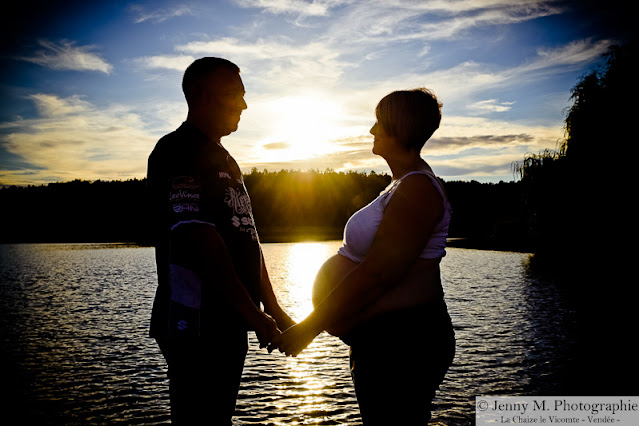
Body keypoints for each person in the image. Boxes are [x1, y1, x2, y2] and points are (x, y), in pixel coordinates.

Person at [271, 88, 455, 424]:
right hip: (385, 339)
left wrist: (308, 328)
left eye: (378, 123)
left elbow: (378, 274)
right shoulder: (401, 184)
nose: (371, 131)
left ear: (398, 127)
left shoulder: (417, 188)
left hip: (404, 343)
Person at [147, 57, 294, 425]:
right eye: (234, 95)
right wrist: (253, 315)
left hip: (228, 322)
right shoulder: (177, 150)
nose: (244, 105)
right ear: (200, 95)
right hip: (194, 324)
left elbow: (247, 237)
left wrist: (272, 308)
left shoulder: (224, 157)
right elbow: (199, 239)